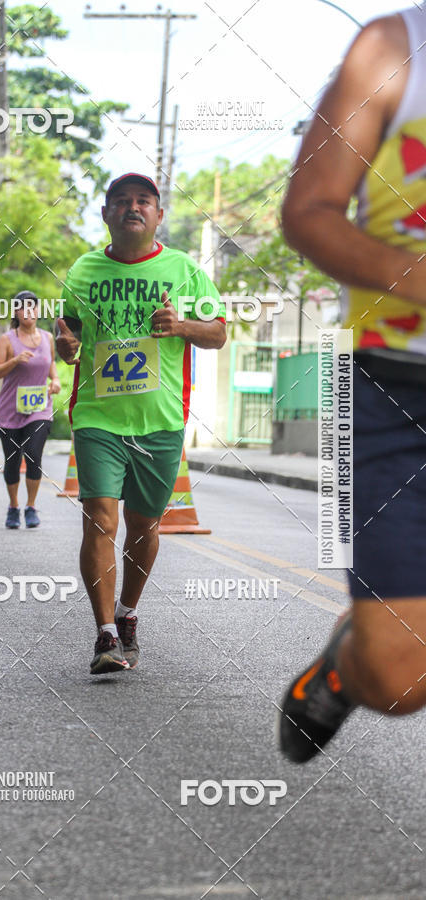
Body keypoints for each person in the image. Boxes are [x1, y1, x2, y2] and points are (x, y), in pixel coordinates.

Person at [279, 6, 426, 762]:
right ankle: (348, 658)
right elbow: (308, 212)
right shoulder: (394, 47)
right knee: (401, 679)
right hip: (400, 388)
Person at [56, 172, 226, 675]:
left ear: (158, 215)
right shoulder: (83, 270)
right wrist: (64, 347)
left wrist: (183, 326)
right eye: (122, 201)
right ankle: (105, 634)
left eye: (143, 201)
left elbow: (217, 333)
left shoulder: (183, 270)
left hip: (159, 420)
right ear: (106, 214)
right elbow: (69, 332)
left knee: (143, 526)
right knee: (101, 521)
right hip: (97, 418)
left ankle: (128, 612)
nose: (133, 208)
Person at [0, 290, 61, 529]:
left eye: (33, 307)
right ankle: (13, 506)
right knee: (12, 461)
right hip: (10, 412)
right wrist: (14, 361)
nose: (29, 311)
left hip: (39, 409)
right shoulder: (7, 340)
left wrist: (56, 380)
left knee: (33, 454)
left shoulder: (47, 338)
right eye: (23, 307)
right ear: (16, 313)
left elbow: (50, 362)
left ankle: (31, 506)